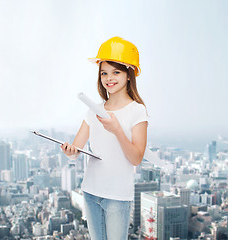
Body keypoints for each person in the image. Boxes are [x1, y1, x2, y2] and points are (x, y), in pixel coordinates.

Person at [61, 36, 149, 240]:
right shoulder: (94, 110)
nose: (109, 78)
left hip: (118, 197)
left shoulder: (137, 111)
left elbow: (136, 158)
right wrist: (70, 151)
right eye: (104, 73)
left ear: (129, 74)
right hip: (90, 193)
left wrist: (117, 130)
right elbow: (77, 149)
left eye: (116, 72)